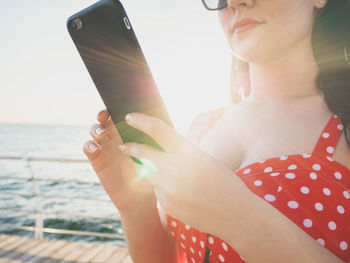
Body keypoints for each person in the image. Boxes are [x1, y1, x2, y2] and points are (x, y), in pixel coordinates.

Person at [83, 0, 350, 262]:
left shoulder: (343, 126)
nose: (234, 2)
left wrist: (237, 217)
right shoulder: (203, 125)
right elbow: (169, 258)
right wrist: (135, 207)